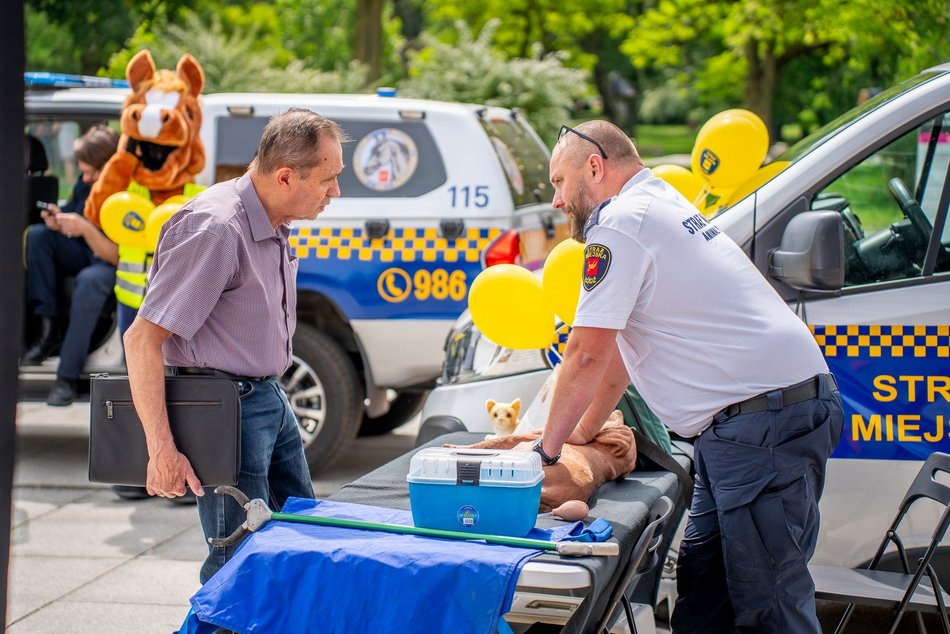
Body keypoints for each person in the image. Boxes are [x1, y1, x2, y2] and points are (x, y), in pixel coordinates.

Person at [528, 121, 843, 632]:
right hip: (756, 423)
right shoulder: (658, 205)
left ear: (594, 167)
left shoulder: (620, 222)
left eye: (560, 182)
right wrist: (582, 433)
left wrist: (545, 454)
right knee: (705, 595)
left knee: (769, 607)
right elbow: (622, 353)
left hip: (761, 425)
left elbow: (585, 354)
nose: (558, 200)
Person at [123, 108, 345, 583]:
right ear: (285, 177)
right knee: (239, 565)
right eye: (329, 180)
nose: (335, 192)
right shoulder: (217, 228)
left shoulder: (273, 216)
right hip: (228, 408)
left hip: (267, 396)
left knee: (298, 539)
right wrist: (161, 448)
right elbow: (142, 339)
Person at [22, 125, 120, 406]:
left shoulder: (123, 189)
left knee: (89, 281)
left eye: (91, 172)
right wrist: (60, 221)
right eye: (83, 172)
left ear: (110, 165)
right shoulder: (85, 181)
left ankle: (66, 378)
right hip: (84, 248)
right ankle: (47, 329)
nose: (85, 177)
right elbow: (77, 218)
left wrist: (84, 228)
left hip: (108, 259)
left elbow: (116, 255)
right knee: (39, 236)